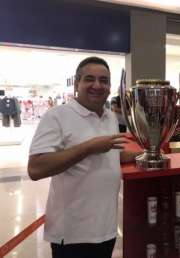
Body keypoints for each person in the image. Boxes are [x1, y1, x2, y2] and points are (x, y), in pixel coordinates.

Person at [27, 57, 139, 258]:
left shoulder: (109, 116)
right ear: (77, 83)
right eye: (89, 79)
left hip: (106, 229)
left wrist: (142, 154)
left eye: (104, 80)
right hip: (72, 235)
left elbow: (110, 154)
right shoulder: (57, 116)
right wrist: (89, 147)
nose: (97, 85)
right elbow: (36, 168)